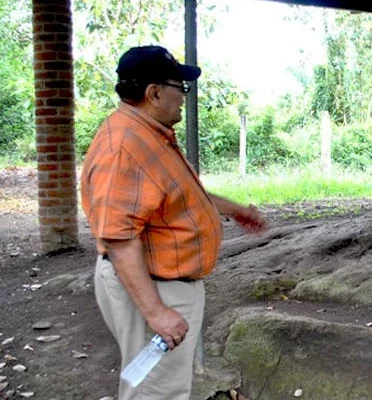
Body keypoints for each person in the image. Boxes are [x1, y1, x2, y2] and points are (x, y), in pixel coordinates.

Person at [80, 45, 266, 400]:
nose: (183, 97)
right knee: (157, 391)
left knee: (162, 385)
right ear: (153, 93)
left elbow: (179, 198)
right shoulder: (124, 147)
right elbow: (119, 238)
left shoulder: (147, 134)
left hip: (165, 282)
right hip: (154, 286)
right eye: (180, 87)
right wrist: (157, 312)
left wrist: (235, 210)